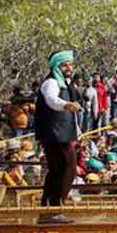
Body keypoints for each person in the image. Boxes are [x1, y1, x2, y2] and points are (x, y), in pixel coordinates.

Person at [34, 50, 83, 223]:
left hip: (62, 132)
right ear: (57, 66)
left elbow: (70, 114)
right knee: (66, 167)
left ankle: (49, 209)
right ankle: (53, 209)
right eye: (65, 64)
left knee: (59, 169)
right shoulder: (51, 83)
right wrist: (67, 105)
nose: (69, 67)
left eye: (70, 64)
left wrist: (77, 129)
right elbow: (51, 100)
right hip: (54, 133)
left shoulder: (66, 84)